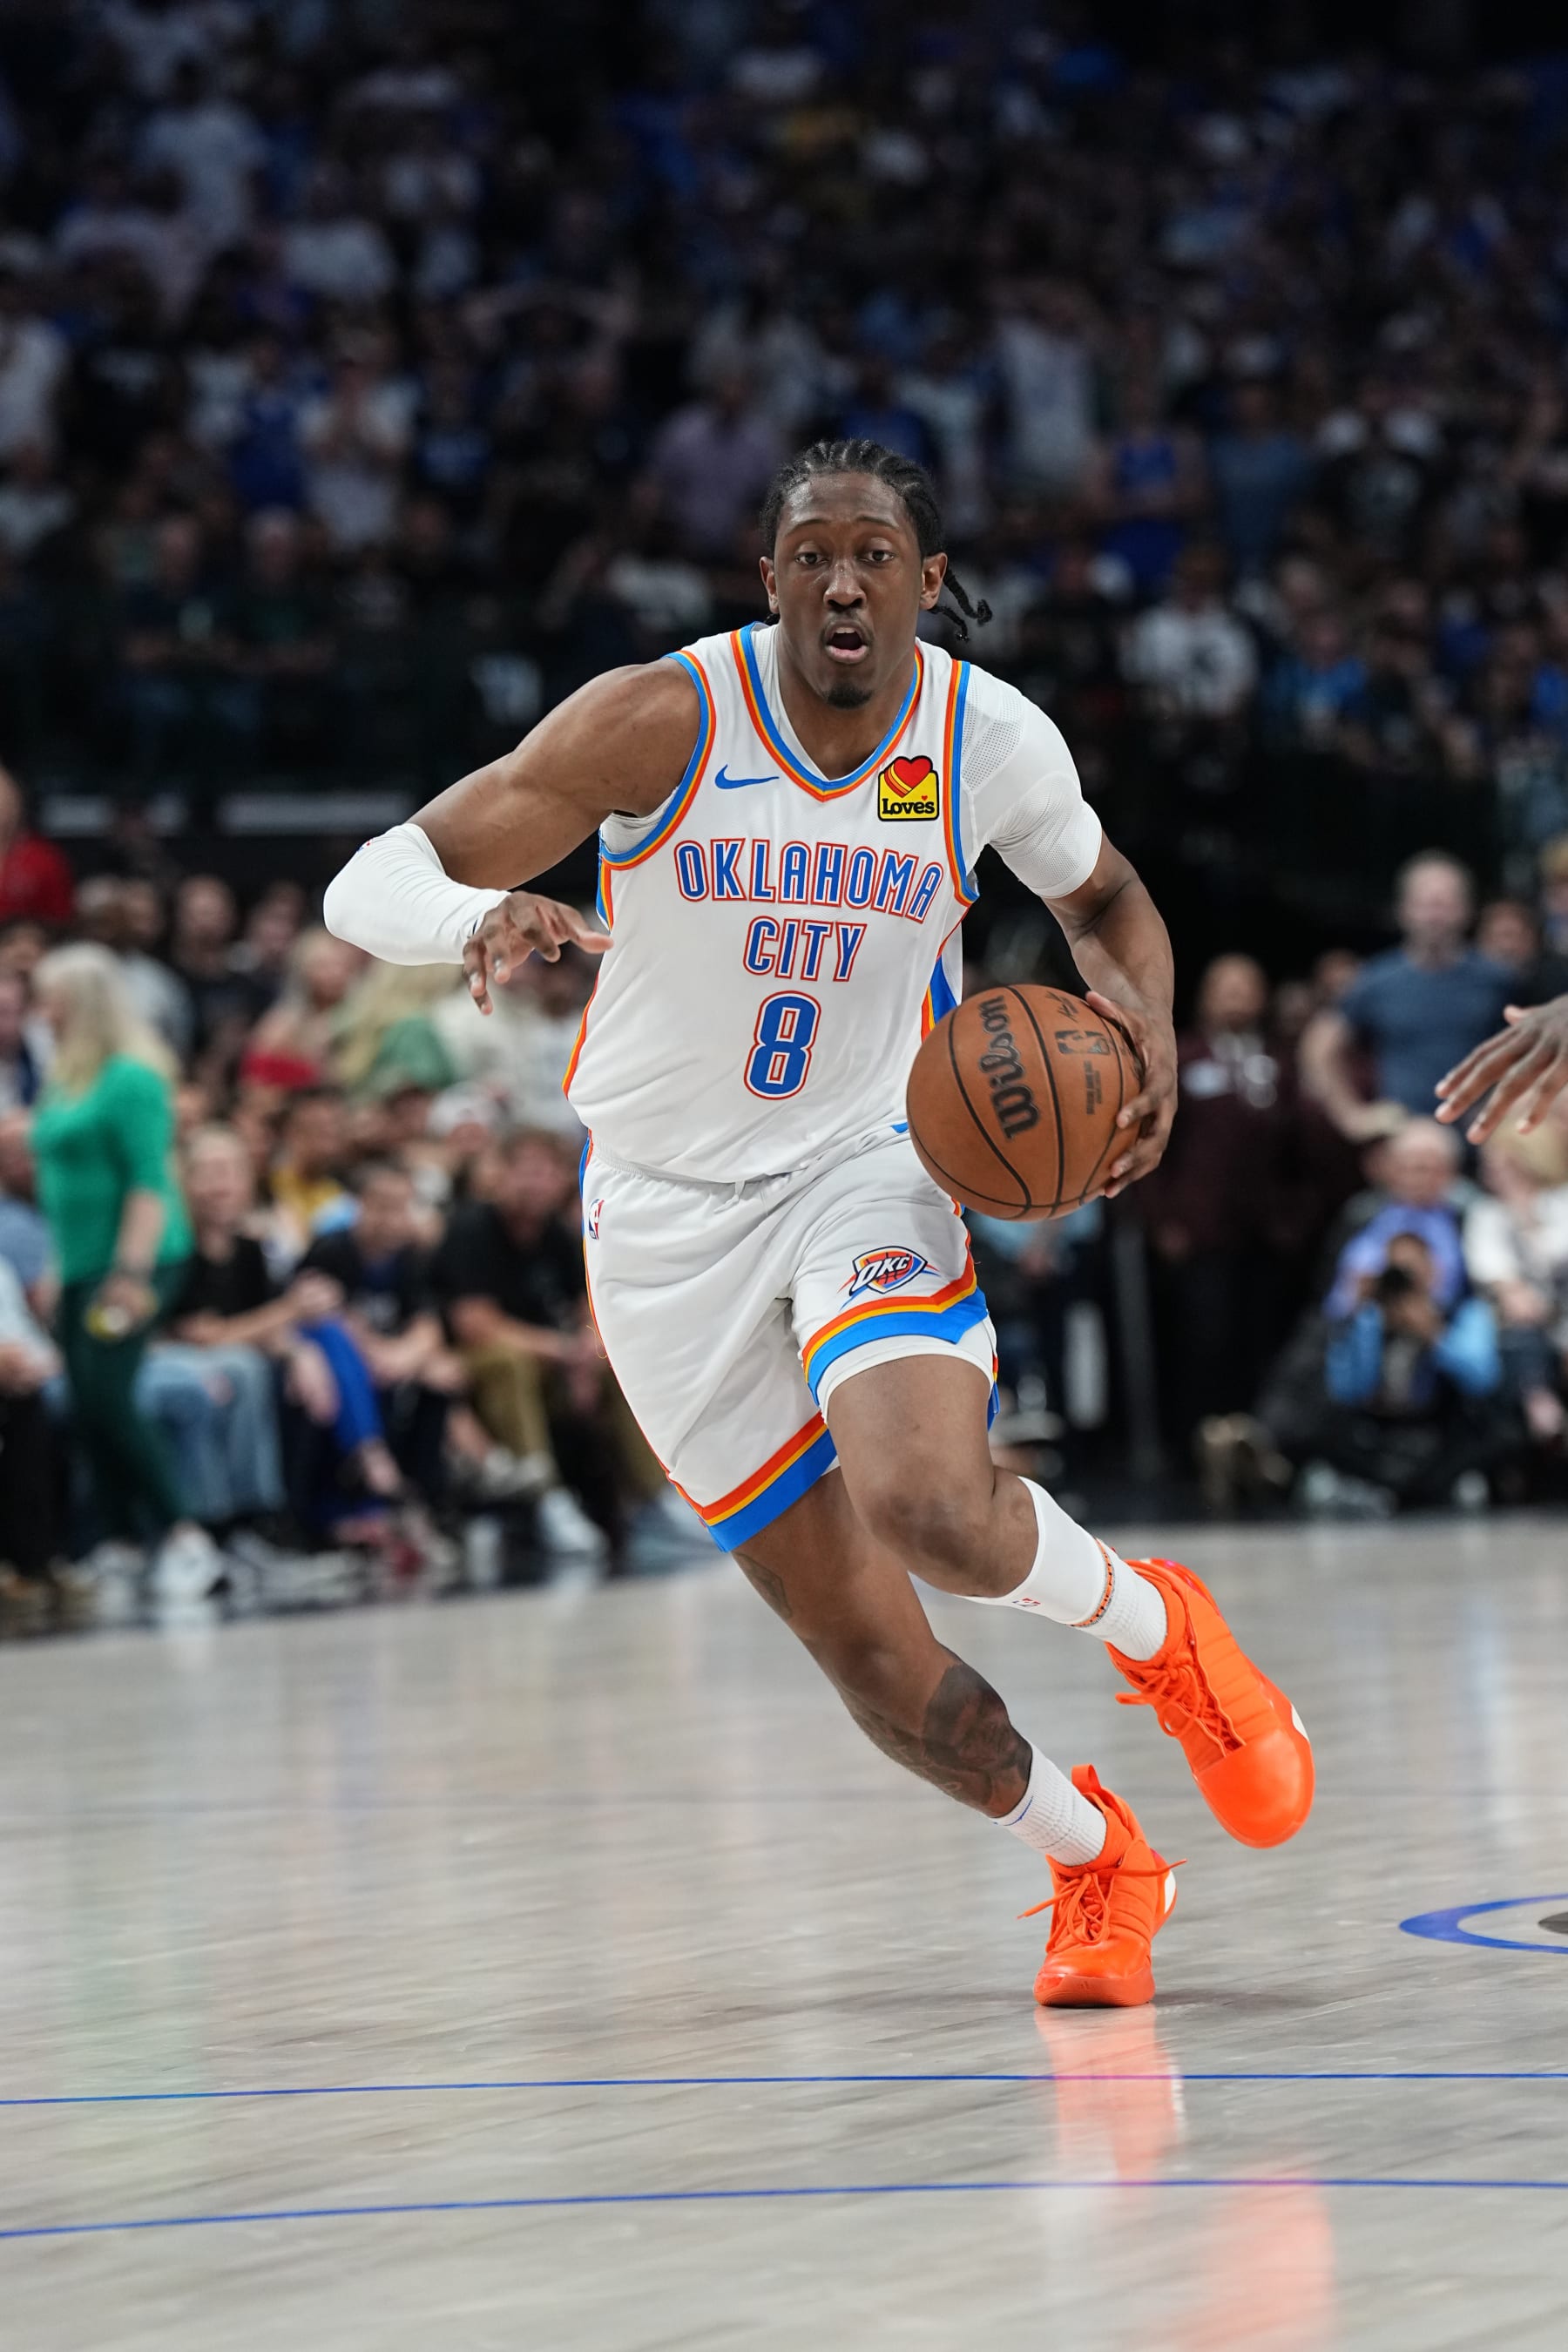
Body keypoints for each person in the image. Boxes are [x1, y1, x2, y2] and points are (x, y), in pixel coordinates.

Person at [326, 437, 1313, 2010]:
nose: (843, 579)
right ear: (768, 578)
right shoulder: (659, 719)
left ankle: (1160, 1630)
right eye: (811, 554)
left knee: (929, 1504)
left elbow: (1107, 903)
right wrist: (473, 915)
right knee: (872, 1665)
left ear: (930, 582)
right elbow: (369, 879)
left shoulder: (989, 740)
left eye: (875, 553)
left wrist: (1151, 1039)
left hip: (868, 1158)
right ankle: (1098, 1856)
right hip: (658, 1216)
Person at [28, 943, 226, 1601]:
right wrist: (61, 1266)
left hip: (139, 1259)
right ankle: (118, 1542)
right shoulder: (68, 1077)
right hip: (82, 1262)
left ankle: (184, 1535)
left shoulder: (132, 1078)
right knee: (86, 1405)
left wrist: (130, 1273)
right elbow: (65, 1185)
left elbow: (148, 1182)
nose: (41, 1011)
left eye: (50, 998)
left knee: (111, 1394)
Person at [1304, 853, 1511, 1136]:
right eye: (1425, 904)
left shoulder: (1498, 980)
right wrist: (1351, 1116)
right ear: (1403, 910)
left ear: (1466, 909)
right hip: (1405, 1141)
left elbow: (1531, 1049)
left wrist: (1505, 1108)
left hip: (1482, 1140)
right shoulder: (1376, 980)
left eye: (1445, 904)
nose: (1435, 916)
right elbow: (1319, 1048)